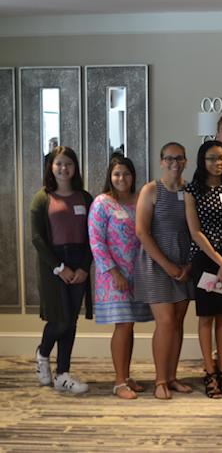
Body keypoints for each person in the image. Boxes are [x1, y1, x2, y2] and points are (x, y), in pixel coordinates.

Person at [88, 156, 153, 399]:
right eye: (117, 174)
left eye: (126, 174)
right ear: (110, 176)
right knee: (123, 325)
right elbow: (96, 243)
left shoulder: (139, 202)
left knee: (129, 325)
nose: (121, 178)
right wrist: (114, 273)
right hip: (114, 277)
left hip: (138, 274)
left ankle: (125, 376)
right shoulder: (102, 203)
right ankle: (118, 382)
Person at [134, 142, 194, 400]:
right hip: (156, 265)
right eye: (169, 158)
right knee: (166, 322)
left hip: (184, 266)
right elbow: (142, 232)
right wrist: (167, 265)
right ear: (161, 162)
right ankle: (160, 380)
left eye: (179, 158)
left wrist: (188, 264)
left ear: (185, 161)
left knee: (178, 323)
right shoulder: (151, 190)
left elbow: (195, 231)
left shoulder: (189, 190)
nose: (174, 162)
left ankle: (171, 376)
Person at [184, 140, 222, 398]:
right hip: (205, 259)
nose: (217, 163)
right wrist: (219, 262)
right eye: (211, 159)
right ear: (202, 161)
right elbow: (195, 231)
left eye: (221, 158)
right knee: (206, 316)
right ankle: (209, 372)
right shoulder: (193, 189)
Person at [32, 146, 93, 394]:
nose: (63, 168)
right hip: (53, 265)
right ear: (51, 167)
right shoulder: (42, 197)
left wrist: (84, 267)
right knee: (60, 320)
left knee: (72, 322)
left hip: (79, 262)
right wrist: (59, 267)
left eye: (68, 163)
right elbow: (37, 239)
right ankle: (43, 353)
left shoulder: (85, 198)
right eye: (58, 163)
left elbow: (93, 237)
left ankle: (63, 374)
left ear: (75, 167)